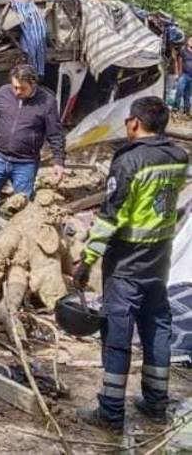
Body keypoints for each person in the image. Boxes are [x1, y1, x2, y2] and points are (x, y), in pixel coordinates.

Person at [74, 97, 189, 432]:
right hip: (160, 259)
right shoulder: (178, 157)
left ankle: (110, 412)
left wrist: (87, 260)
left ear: (136, 122)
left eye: (127, 121)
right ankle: (155, 403)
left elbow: (110, 217)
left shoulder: (129, 161)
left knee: (118, 334)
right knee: (157, 326)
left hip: (126, 262)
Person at [0, 64, 65, 253]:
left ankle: (19, 246)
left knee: (23, 205)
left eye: (22, 88)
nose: (17, 92)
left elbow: (55, 134)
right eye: (14, 87)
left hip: (26, 163)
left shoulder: (47, 102)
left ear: (33, 84)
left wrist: (58, 161)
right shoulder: (4, 93)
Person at [174, 37, 192, 114]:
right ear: (187, 41)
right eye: (191, 40)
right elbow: (179, 61)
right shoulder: (183, 50)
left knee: (188, 94)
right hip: (184, 74)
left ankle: (186, 110)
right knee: (179, 91)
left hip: (191, 76)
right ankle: (176, 108)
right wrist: (179, 73)